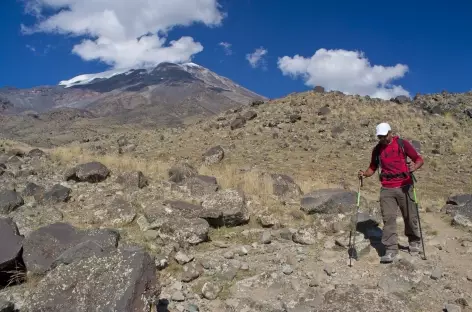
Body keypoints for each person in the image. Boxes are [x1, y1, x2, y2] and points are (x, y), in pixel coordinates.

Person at [358, 122, 424, 263]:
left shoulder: (402, 144)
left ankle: (414, 241)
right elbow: (372, 168)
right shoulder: (377, 150)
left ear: (390, 133)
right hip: (387, 188)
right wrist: (364, 174)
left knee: (410, 216)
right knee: (388, 219)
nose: (381, 139)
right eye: (379, 137)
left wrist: (414, 166)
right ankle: (391, 249)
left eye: (383, 136)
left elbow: (418, 159)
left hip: (405, 186)